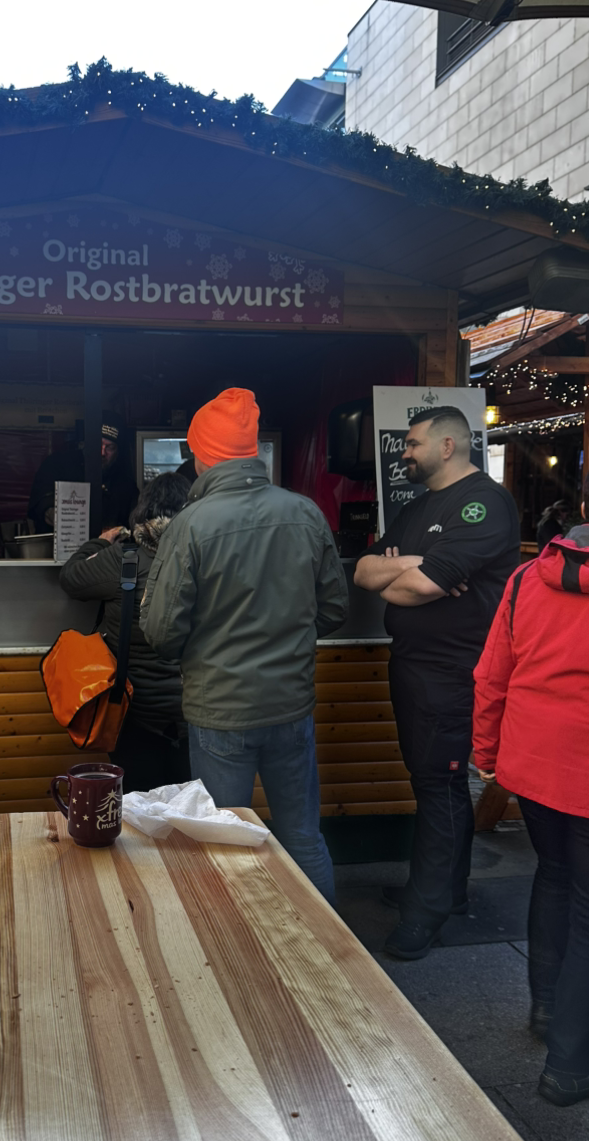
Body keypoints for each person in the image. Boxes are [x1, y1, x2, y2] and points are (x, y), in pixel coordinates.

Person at [140, 388, 348, 903]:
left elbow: (162, 633)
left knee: (222, 840)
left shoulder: (191, 524)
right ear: (251, 450)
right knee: (303, 836)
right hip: (291, 705)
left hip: (220, 709)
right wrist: (287, 640)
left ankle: (233, 945)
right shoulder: (305, 512)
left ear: (200, 454)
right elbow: (334, 609)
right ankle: (327, 943)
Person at [473, 448, 589, 1107]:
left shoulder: (525, 579)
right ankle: (570, 1066)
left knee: (556, 877)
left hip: (530, 766)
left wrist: (487, 754)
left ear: (586, 508)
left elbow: (492, 676)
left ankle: (546, 1011)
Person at [354, 405, 520, 960]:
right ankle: (446, 891)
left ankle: (426, 912)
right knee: (433, 783)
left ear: (447, 446)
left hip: (453, 672)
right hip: (414, 667)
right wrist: (415, 563)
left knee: (440, 786)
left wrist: (408, 572)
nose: (403, 453)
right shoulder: (418, 506)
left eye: (412, 443)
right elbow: (365, 572)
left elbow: (416, 589)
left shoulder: (484, 504)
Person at [59, 472, 192, 792]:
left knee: (138, 809)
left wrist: (100, 542)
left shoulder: (122, 558)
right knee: (191, 812)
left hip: (134, 713)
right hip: (194, 713)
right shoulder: (205, 557)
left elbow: (71, 578)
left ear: (143, 510)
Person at [28, 413, 138, 534]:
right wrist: (61, 518)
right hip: (59, 542)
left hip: (109, 544)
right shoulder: (57, 464)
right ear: (87, 443)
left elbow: (136, 520)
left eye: (110, 447)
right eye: (98, 444)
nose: (102, 452)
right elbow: (41, 503)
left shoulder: (125, 483)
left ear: (117, 452)